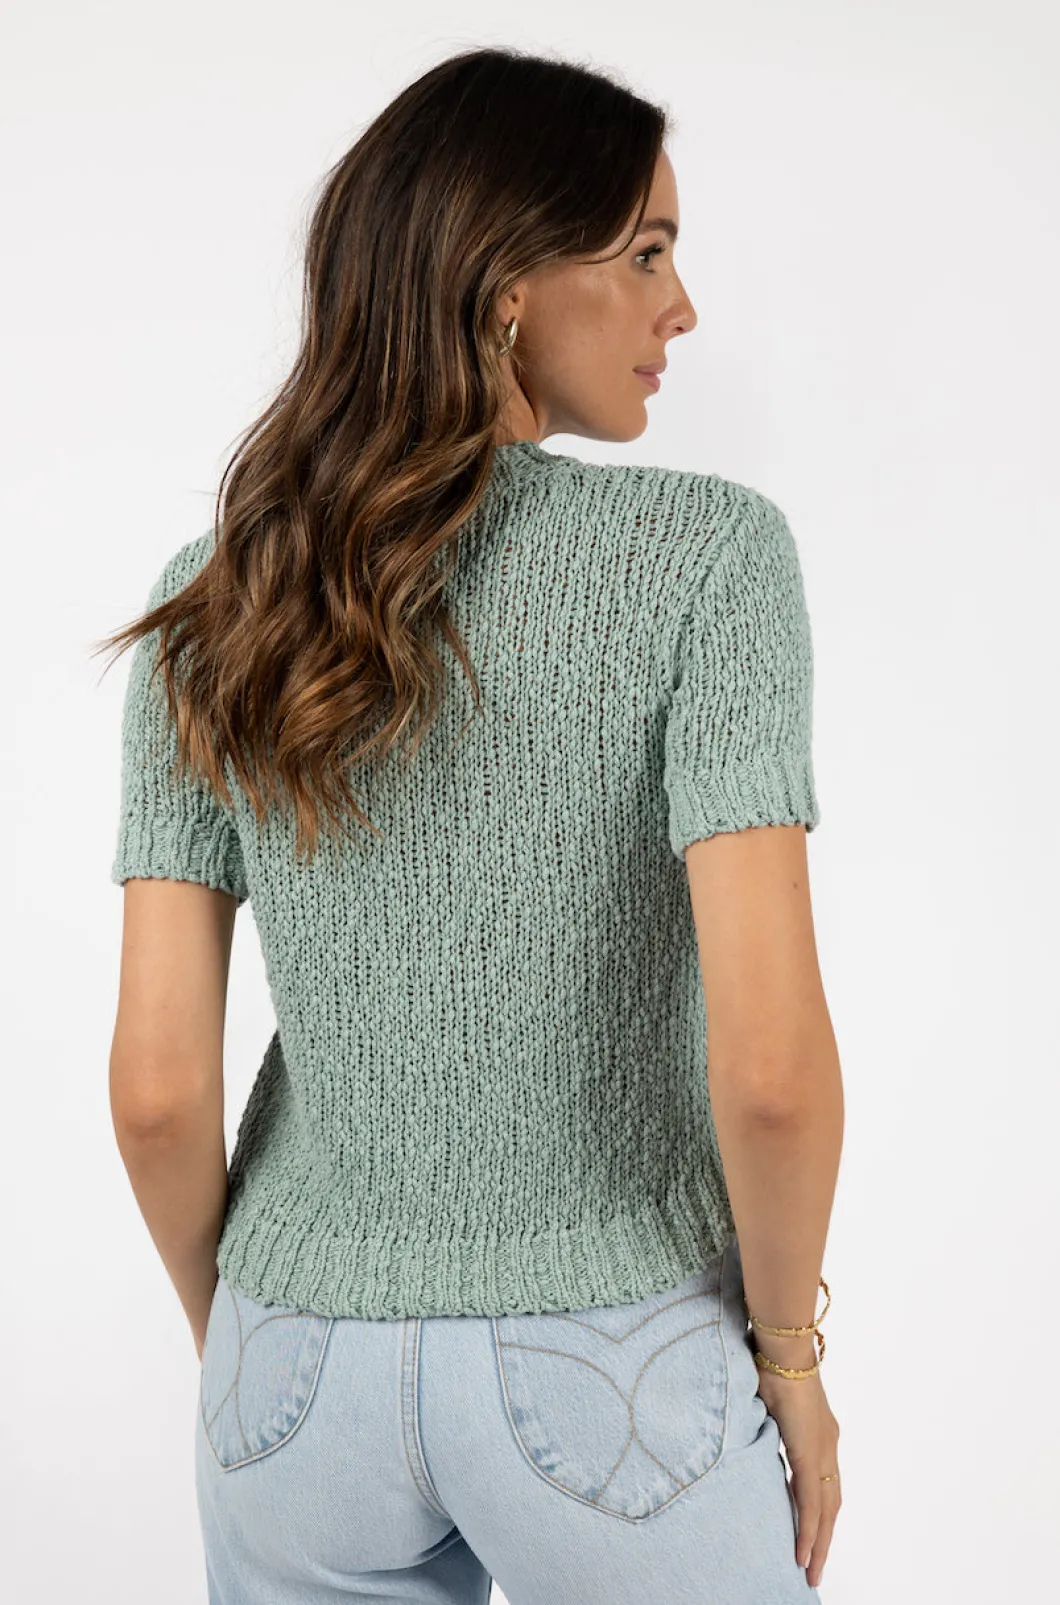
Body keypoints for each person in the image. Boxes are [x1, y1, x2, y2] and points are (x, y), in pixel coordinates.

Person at [101, 45, 844, 1605]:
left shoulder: (220, 598)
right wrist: (788, 1359)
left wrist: (250, 1337)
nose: (679, 309)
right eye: (643, 253)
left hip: (292, 1370)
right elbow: (771, 1077)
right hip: (613, 1361)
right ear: (505, 286)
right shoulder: (706, 561)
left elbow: (159, 1095)